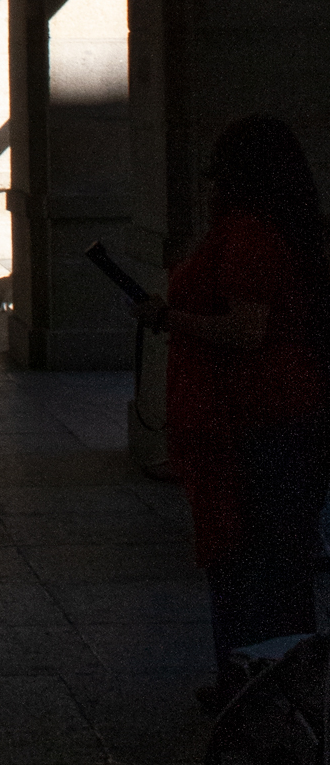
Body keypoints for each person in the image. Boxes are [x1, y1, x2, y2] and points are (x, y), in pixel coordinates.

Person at [132, 115, 330, 713]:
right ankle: (273, 688)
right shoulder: (285, 232)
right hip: (281, 416)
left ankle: (254, 690)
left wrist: (171, 320)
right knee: (279, 561)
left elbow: (246, 333)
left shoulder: (247, 236)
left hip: (254, 420)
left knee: (248, 560)